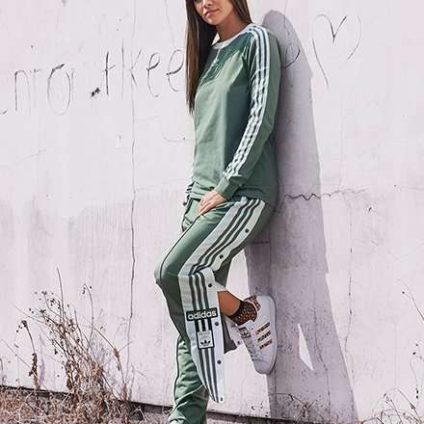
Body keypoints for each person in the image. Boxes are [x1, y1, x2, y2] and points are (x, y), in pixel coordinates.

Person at [154, 0, 281, 422]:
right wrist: (196, 195)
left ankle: (245, 313)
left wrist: (227, 185)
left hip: (243, 194)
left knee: (173, 274)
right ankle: (185, 417)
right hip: (201, 200)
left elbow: (260, 118)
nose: (205, 2)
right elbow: (205, 140)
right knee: (193, 311)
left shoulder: (256, 41)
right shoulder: (206, 56)